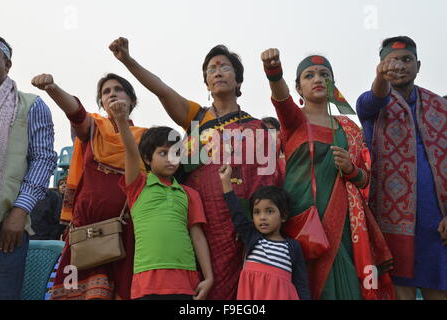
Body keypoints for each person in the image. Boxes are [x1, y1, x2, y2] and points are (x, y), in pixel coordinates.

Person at [109, 37, 280, 299]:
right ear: (207, 84)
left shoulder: (257, 129)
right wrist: (128, 60)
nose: (217, 72)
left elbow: (268, 181)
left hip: (240, 226)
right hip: (198, 222)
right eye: (211, 69)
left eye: (224, 67)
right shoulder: (197, 119)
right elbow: (162, 90)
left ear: (238, 81)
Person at [261, 48, 394, 300]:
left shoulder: (349, 128)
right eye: (309, 76)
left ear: (333, 83)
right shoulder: (295, 121)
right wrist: (273, 71)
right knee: (303, 284)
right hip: (301, 219)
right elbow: (280, 99)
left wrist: (350, 169)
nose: (318, 79)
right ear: (299, 88)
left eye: (324, 74)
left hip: (342, 221)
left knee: (344, 284)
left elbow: (365, 179)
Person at [31, 72, 147, 300]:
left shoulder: (146, 138)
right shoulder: (93, 127)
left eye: (118, 89)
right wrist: (52, 87)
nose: (112, 93)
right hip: (88, 230)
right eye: (106, 92)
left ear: (132, 100)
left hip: (129, 228)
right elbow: (75, 111)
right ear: (102, 103)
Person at [356, 36, 447, 300]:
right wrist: (380, 78)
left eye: (406, 59)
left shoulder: (440, 108)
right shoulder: (371, 106)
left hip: (437, 227)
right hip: (392, 227)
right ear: (381, 66)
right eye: (391, 60)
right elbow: (374, 98)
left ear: (418, 65)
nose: (400, 65)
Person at [112, 100, 214, 300]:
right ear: (148, 159)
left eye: (176, 153)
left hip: (186, 283)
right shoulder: (137, 186)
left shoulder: (189, 194)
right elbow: (131, 152)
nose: (171, 158)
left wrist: (209, 277)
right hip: (147, 284)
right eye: (163, 153)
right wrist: (121, 120)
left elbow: (198, 236)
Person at [0, 36, 57, 300]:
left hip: (6, 226)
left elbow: (43, 160)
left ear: (7, 64)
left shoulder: (32, 105)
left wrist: (20, 211)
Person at [219, 164, 310, 300]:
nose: (262, 217)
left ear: (283, 216)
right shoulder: (252, 238)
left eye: (269, 211)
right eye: (257, 212)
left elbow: (301, 284)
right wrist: (226, 182)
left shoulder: (292, 247)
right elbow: (237, 213)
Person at [29, 175, 66, 240]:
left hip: (45, 241)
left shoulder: (54, 197)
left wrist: (50, 239)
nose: (64, 186)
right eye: (61, 184)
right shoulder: (20, 194)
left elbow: (59, 222)